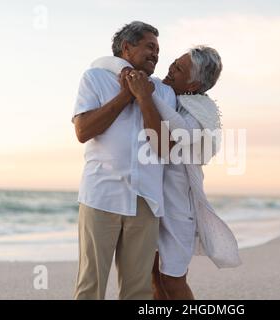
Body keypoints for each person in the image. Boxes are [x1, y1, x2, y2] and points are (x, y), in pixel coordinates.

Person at [92, 46, 242, 300]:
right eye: (174, 63)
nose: (171, 69)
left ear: (193, 84)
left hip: (178, 212)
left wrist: (146, 96)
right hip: (151, 204)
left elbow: (177, 132)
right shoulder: (163, 93)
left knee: (172, 280)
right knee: (152, 277)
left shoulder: (200, 111)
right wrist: (129, 72)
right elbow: (103, 61)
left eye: (179, 69)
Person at [71, 21, 176, 300]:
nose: (155, 54)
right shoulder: (94, 78)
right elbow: (83, 131)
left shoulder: (163, 92)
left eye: (158, 50)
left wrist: (143, 98)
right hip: (101, 195)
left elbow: (165, 148)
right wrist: (124, 95)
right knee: (90, 286)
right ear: (127, 48)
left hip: (146, 200)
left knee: (138, 291)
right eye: (149, 47)